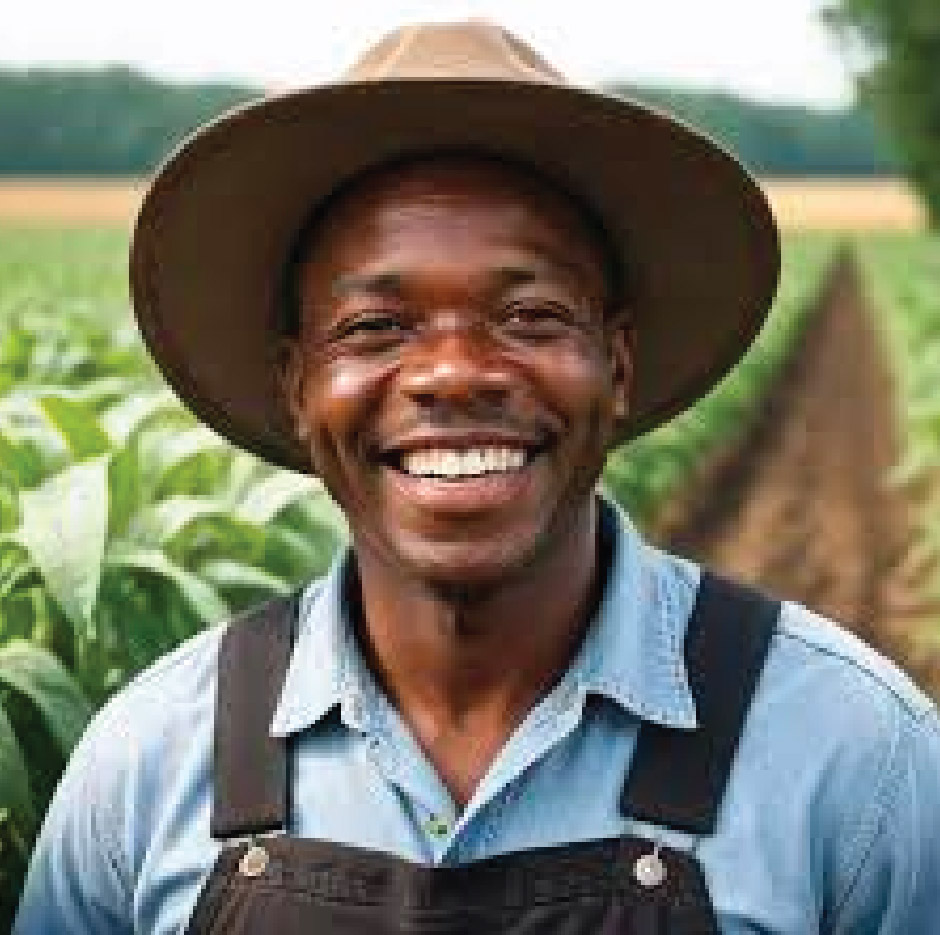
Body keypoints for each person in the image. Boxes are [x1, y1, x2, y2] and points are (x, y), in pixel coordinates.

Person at [14, 20, 940, 935]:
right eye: (375, 327)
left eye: (531, 314)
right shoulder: (145, 767)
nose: (454, 371)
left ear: (617, 367)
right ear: (299, 388)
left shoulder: (858, 761)